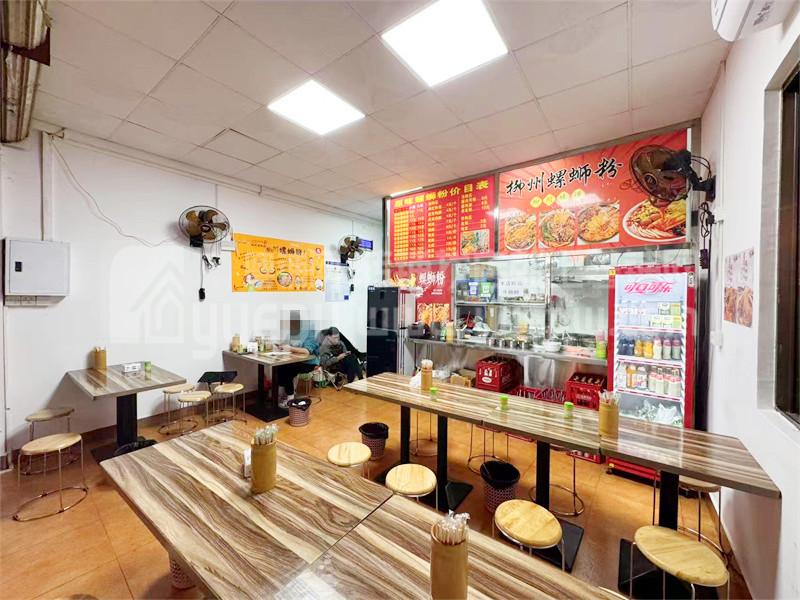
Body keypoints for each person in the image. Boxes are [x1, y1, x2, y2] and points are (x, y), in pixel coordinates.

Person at [274, 327, 319, 403]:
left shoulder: (311, 333)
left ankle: (290, 399)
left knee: (287, 368)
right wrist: (282, 346)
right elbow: (289, 345)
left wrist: (290, 348)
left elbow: (307, 351)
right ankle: (281, 396)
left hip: (309, 362)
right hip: (296, 360)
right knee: (280, 367)